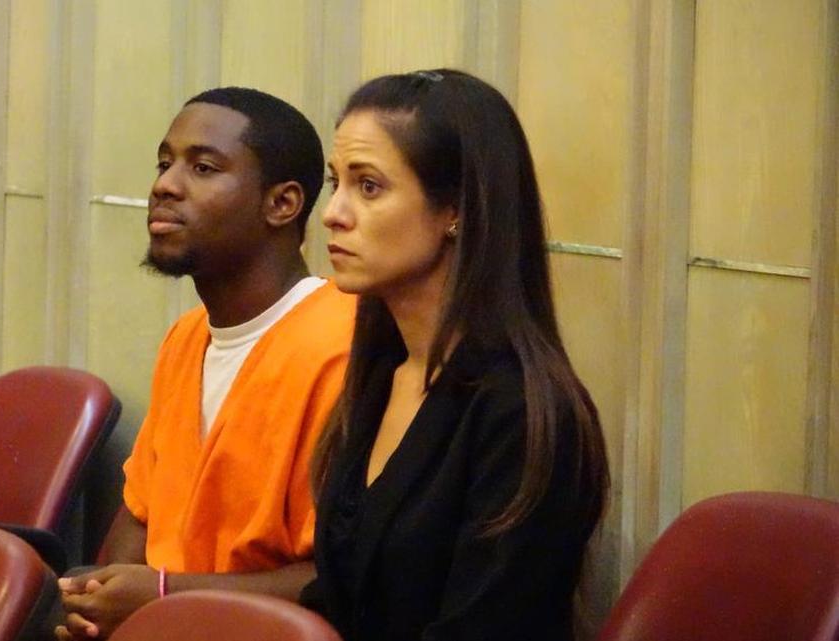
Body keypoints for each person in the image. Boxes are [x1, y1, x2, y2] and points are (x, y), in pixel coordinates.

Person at [301, 69, 610, 641]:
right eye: (334, 181)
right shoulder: (381, 376)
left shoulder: (525, 413)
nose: (333, 213)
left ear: (457, 209)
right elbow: (337, 596)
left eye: (368, 186)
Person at [55, 87, 356, 640]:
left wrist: (164, 596)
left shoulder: (343, 342)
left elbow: (337, 581)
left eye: (203, 167)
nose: (165, 185)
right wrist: (98, 605)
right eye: (165, 163)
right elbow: (140, 516)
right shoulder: (186, 338)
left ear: (282, 204)